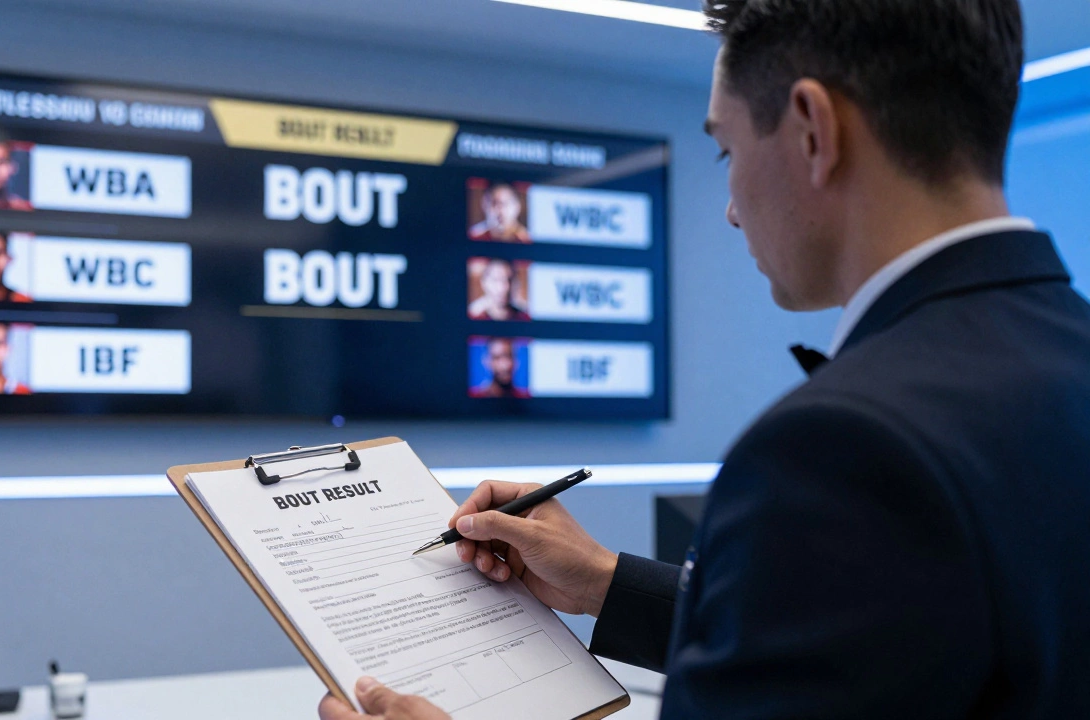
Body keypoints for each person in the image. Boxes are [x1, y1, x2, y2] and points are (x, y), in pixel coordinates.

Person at [320, 0, 1090, 718]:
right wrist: (606, 583)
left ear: (813, 130)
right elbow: (894, 640)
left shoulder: (842, 445)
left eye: (726, 150)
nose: (729, 210)